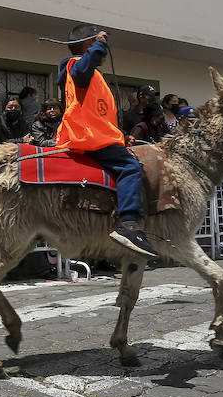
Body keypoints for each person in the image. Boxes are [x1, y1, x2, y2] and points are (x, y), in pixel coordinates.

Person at [57, 24, 157, 257]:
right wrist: (100, 45)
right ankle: (130, 225)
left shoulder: (94, 75)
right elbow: (83, 70)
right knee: (130, 168)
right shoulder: (76, 66)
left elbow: (99, 115)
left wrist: (121, 136)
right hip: (89, 137)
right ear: (88, 45)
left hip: (95, 135)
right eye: (97, 45)